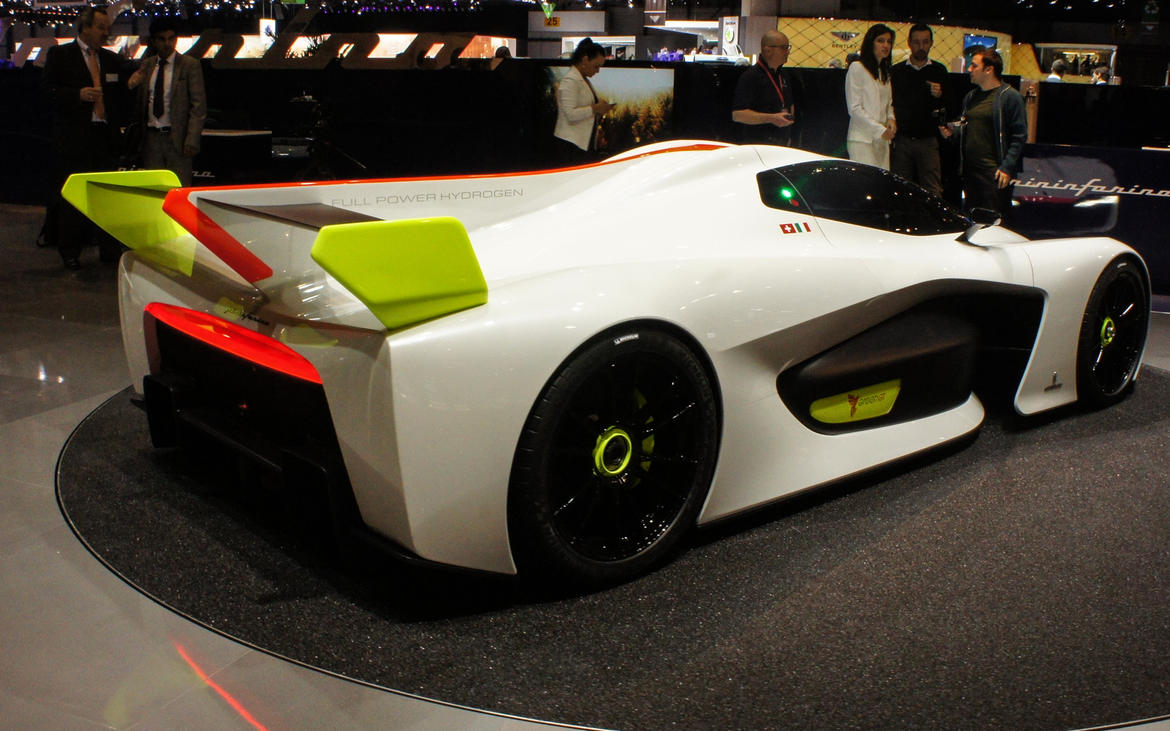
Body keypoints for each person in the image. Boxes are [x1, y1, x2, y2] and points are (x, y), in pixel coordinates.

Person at [40, 6, 134, 269]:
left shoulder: (111, 59)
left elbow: (121, 95)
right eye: (101, 27)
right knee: (74, 198)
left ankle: (109, 249)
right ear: (85, 27)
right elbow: (46, 91)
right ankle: (70, 251)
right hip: (74, 137)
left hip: (105, 137)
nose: (106, 33)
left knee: (106, 196)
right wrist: (76, 95)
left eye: (108, 28)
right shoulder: (60, 55)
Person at [127, 18, 206, 186]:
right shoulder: (147, 65)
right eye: (162, 39)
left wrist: (192, 139)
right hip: (151, 138)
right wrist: (132, 85)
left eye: (171, 38)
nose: (167, 44)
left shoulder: (189, 65)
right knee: (154, 189)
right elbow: (140, 102)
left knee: (180, 187)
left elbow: (198, 106)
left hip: (177, 138)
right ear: (154, 41)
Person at [958, 47, 1027, 214]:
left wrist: (1006, 166)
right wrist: (953, 132)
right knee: (972, 217)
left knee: (992, 219)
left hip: (993, 173)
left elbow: (1019, 136)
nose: (969, 69)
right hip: (969, 172)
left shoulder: (1010, 97)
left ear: (989, 69)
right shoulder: (971, 97)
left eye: (974, 66)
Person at [890, 23, 948, 196]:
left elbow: (950, 104)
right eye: (916, 42)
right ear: (909, 43)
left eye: (925, 42)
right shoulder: (897, 71)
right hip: (902, 139)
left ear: (931, 43)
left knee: (933, 189)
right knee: (899, 188)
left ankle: (934, 215)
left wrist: (940, 95)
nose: (921, 46)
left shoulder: (939, 71)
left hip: (928, 139)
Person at [731, 30, 801, 147]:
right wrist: (771, 118)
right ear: (768, 50)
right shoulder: (750, 77)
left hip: (782, 143)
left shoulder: (783, 75)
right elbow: (738, 115)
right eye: (784, 48)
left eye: (788, 47)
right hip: (758, 145)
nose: (788, 52)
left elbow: (789, 104)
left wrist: (788, 133)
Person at [553, 38, 613, 165]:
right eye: (596, 66)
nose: (598, 71)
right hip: (571, 145)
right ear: (585, 60)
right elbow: (570, 114)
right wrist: (595, 108)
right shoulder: (570, 81)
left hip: (580, 143)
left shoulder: (582, 80)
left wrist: (598, 109)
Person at [845, 24, 896, 169]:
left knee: (882, 180)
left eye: (889, 41)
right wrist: (879, 130)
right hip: (862, 140)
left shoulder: (884, 72)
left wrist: (891, 119)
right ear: (870, 43)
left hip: (882, 140)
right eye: (880, 41)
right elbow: (854, 109)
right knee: (865, 179)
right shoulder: (857, 68)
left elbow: (889, 103)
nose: (885, 45)